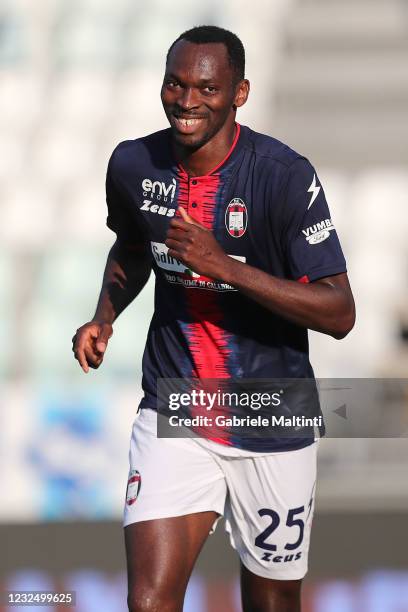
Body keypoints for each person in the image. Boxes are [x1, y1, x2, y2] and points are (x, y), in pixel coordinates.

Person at [72, 25, 355, 612]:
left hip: (274, 416)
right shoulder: (133, 164)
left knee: (271, 604)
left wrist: (224, 267)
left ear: (239, 93)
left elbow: (339, 312)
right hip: (176, 404)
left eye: (205, 87)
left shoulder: (283, 176)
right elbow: (131, 245)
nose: (186, 101)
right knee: (149, 601)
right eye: (175, 84)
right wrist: (103, 317)